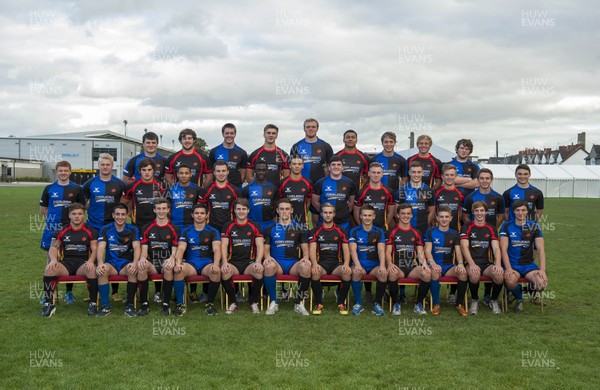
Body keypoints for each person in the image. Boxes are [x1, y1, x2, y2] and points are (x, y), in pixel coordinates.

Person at [39, 160, 85, 303]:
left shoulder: (77, 188)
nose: (63, 173)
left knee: (69, 260)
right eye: (60, 170)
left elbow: (81, 209)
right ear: (56, 172)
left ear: (70, 172)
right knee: (50, 262)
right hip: (52, 230)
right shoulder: (49, 188)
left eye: (66, 171)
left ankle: (69, 293)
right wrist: (54, 223)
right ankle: (50, 295)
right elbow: (44, 210)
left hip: (71, 231)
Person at [40, 203, 99, 317]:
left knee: (91, 270)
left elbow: (95, 250)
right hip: (66, 263)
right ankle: (48, 304)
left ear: (84, 215)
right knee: (50, 270)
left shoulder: (91, 231)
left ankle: (93, 303)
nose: (77, 216)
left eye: (80, 214)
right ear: (69, 216)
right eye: (74, 214)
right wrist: (53, 260)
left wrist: (91, 261)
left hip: (83, 264)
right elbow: (53, 248)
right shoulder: (61, 230)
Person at [83, 153, 127, 303]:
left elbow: (123, 204)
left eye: (108, 164)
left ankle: (114, 292)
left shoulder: (120, 184)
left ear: (112, 166)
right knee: (93, 258)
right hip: (93, 226)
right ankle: (92, 292)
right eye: (102, 164)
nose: (105, 167)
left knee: (113, 257)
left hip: (112, 226)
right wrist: (92, 209)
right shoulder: (90, 183)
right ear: (98, 166)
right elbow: (83, 202)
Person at [458, 168, 505, 306]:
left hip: (490, 233)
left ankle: (488, 296)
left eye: (487, 178)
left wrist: (491, 229)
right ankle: (475, 299)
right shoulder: (470, 197)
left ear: (491, 179)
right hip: (473, 233)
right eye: (482, 178)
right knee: (475, 267)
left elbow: (501, 216)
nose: (484, 181)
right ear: (478, 180)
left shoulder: (498, 197)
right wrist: (474, 228)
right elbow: (465, 216)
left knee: (490, 261)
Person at [170, 203, 222, 316]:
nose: (199, 215)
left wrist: (216, 264)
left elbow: (217, 249)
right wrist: (178, 263)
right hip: (191, 264)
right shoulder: (186, 230)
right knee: (178, 270)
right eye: (197, 213)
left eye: (202, 213)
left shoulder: (213, 231)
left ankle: (210, 304)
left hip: (206, 263)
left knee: (216, 271)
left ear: (207, 215)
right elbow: (181, 249)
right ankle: (180, 304)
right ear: (192, 215)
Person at [262, 199, 311, 315]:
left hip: (293, 264)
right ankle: (274, 302)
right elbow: (266, 249)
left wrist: (306, 258)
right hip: (277, 264)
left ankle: (298, 303)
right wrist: (267, 257)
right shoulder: (270, 228)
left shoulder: (300, 228)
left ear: (291, 211)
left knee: (306, 267)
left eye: (287, 209)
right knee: (268, 266)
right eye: (282, 209)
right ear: (277, 211)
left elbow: (305, 249)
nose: (284, 212)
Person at [500, 200, 548, 313]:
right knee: (510, 281)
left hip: (528, 265)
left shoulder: (534, 226)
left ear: (527, 211)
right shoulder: (506, 226)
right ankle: (520, 297)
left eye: (523, 210)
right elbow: (503, 249)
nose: (520, 213)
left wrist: (542, 270)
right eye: (517, 210)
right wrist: (508, 268)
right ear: (513, 211)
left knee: (541, 284)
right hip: (512, 265)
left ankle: (516, 293)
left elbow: (541, 249)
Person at [220, 198, 265, 314]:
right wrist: (224, 262)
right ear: (234, 210)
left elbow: (260, 245)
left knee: (259, 271)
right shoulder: (227, 225)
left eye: (243, 209)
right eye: (238, 209)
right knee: (225, 271)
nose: (241, 212)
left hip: (249, 263)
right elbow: (223, 246)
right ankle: (233, 303)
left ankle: (254, 303)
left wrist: (258, 261)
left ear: (248, 210)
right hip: (232, 262)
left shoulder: (255, 226)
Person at [95, 203, 140, 317]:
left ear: (127, 215)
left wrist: (135, 263)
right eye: (118, 214)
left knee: (132, 270)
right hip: (112, 263)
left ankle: (129, 306)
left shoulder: (133, 229)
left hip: (126, 263)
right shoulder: (105, 229)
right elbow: (100, 247)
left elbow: (136, 247)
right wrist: (100, 263)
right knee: (102, 271)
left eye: (123, 214)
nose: (120, 217)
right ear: (113, 215)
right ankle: (105, 306)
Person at [386, 204, 431, 315]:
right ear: (397, 215)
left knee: (427, 274)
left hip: (412, 268)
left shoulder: (416, 232)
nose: (406, 216)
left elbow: (420, 251)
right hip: (398, 267)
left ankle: (419, 304)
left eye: (408, 213)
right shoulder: (392, 232)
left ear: (411, 215)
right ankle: (396, 304)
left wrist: (424, 263)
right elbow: (387, 251)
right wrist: (390, 264)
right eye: (403, 213)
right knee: (392, 273)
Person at [136, 198, 180, 316]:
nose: (161, 211)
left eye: (164, 208)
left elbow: (175, 250)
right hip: (153, 262)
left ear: (168, 209)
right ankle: (144, 304)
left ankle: (166, 304)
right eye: (159, 208)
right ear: (154, 210)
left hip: (167, 260)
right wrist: (143, 258)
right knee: (141, 267)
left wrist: (171, 259)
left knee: (168, 267)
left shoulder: (174, 229)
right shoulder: (146, 228)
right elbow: (144, 249)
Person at [460, 201, 503, 315]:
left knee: (499, 274)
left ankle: (493, 301)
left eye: (482, 211)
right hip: (471, 262)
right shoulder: (466, 227)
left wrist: (498, 264)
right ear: (473, 212)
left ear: (486, 212)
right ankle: (474, 300)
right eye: (477, 211)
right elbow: (464, 247)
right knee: (474, 274)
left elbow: (496, 248)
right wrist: (472, 264)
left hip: (486, 263)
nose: (479, 213)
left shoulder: (491, 228)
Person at [424, 206, 468, 316]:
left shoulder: (454, 234)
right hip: (433, 264)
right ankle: (436, 304)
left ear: (451, 218)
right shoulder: (430, 231)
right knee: (435, 272)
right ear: (437, 218)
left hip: (448, 266)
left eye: (446, 217)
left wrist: (461, 264)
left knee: (463, 273)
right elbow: (427, 251)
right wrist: (433, 264)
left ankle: (459, 305)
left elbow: (458, 252)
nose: (444, 219)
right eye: (441, 217)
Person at [308, 203, 352, 315]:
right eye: (325, 212)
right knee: (315, 272)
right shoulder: (315, 231)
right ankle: (319, 303)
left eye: (330, 212)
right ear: (321, 214)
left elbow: (346, 250)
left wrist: (346, 264)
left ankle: (341, 303)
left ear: (334, 214)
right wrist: (314, 264)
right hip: (321, 263)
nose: (328, 215)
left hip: (336, 264)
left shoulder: (341, 231)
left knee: (346, 273)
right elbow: (312, 249)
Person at [289, 118, 333, 226]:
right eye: (308, 127)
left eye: (313, 127)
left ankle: (315, 238)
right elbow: (291, 165)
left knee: (316, 217)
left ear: (317, 128)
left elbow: (330, 166)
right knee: (298, 216)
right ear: (304, 128)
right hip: (300, 186)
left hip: (318, 187)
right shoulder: (296, 146)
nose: (310, 129)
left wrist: (325, 180)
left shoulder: (325, 146)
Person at [349, 205, 388, 316]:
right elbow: (352, 250)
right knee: (356, 272)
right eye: (365, 215)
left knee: (383, 274)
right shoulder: (354, 231)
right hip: (360, 262)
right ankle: (358, 303)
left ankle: (377, 304)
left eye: (369, 215)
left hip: (374, 264)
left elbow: (381, 250)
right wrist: (357, 265)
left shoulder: (379, 231)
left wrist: (382, 266)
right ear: (360, 216)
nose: (367, 218)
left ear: (374, 216)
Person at [312, 156, 356, 232]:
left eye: (338, 165)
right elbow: (315, 201)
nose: (336, 167)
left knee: (344, 243)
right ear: (329, 167)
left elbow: (351, 202)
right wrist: (325, 212)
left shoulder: (350, 183)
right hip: (324, 222)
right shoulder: (320, 183)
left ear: (342, 167)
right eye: (333, 165)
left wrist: (343, 214)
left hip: (343, 223)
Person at [122, 158, 165, 232]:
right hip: (137, 225)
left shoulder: (162, 186)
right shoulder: (132, 186)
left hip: (156, 225)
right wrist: (129, 213)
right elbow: (123, 203)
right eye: (144, 170)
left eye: (149, 170)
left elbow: (167, 206)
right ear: (139, 171)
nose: (147, 172)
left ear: (154, 170)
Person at [395, 160, 435, 237]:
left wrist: (425, 225)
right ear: (409, 173)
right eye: (413, 172)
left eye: (419, 172)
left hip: (423, 229)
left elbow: (431, 212)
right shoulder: (402, 190)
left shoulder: (429, 191)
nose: (416, 175)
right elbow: (397, 213)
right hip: (406, 229)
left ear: (422, 173)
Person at [353, 162, 395, 230]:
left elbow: (390, 213)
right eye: (373, 172)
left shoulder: (389, 192)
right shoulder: (361, 192)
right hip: (366, 230)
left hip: (382, 230)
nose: (376, 175)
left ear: (382, 174)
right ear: (369, 173)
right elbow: (356, 214)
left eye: (378, 173)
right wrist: (362, 226)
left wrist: (385, 224)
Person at [208, 123, 248, 189]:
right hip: (218, 188)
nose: (229, 135)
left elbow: (243, 175)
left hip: (236, 188)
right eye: (227, 133)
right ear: (223, 134)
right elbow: (211, 173)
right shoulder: (214, 151)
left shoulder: (242, 153)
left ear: (235, 134)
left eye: (231, 133)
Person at [242, 161, 278, 231]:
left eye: (263, 170)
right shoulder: (247, 188)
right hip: (252, 224)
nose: (261, 172)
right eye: (258, 170)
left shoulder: (273, 188)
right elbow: (242, 206)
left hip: (269, 224)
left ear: (267, 171)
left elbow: (276, 205)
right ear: (254, 171)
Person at [278, 155, 313, 228]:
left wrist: (304, 212)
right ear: (290, 166)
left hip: (302, 221)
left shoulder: (308, 183)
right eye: (294, 164)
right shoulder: (282, 183)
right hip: (286, 221)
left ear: (302, 166)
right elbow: (279, 201)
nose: (297, 166)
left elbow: (308, 201)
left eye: (299, 164)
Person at [168, 164, 200, 230]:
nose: (184, 175)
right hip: (174, 225)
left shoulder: (197, 189)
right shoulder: (170, 189)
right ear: (177, 174)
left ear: (190, 174)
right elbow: (167, 208)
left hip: (191, 226)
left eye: (186, 173)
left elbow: (200, 208)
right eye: (181, 173)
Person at [434, 164, 464, 232]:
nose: (449, 177)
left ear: (456, 176)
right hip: (438, 232)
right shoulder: (436, 193)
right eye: (447, 175)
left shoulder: (461, 194)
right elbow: (433, 213)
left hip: (455, 231)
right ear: (442, 176)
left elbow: (462, 214)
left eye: (452, 175)